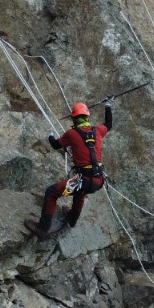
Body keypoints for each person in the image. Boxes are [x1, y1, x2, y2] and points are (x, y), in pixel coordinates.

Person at [27, 99, 113, 237]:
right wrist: (108, 105)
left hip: (83, 180)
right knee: (80, 192)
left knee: (51, 192)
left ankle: (42, 228)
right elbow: (108, 124)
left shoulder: (71, 134)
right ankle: (72, 219)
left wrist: (50, 136)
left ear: (74, 119)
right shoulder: (97, 131)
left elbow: (55, 145)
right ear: (87, 117)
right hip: (98, 181)